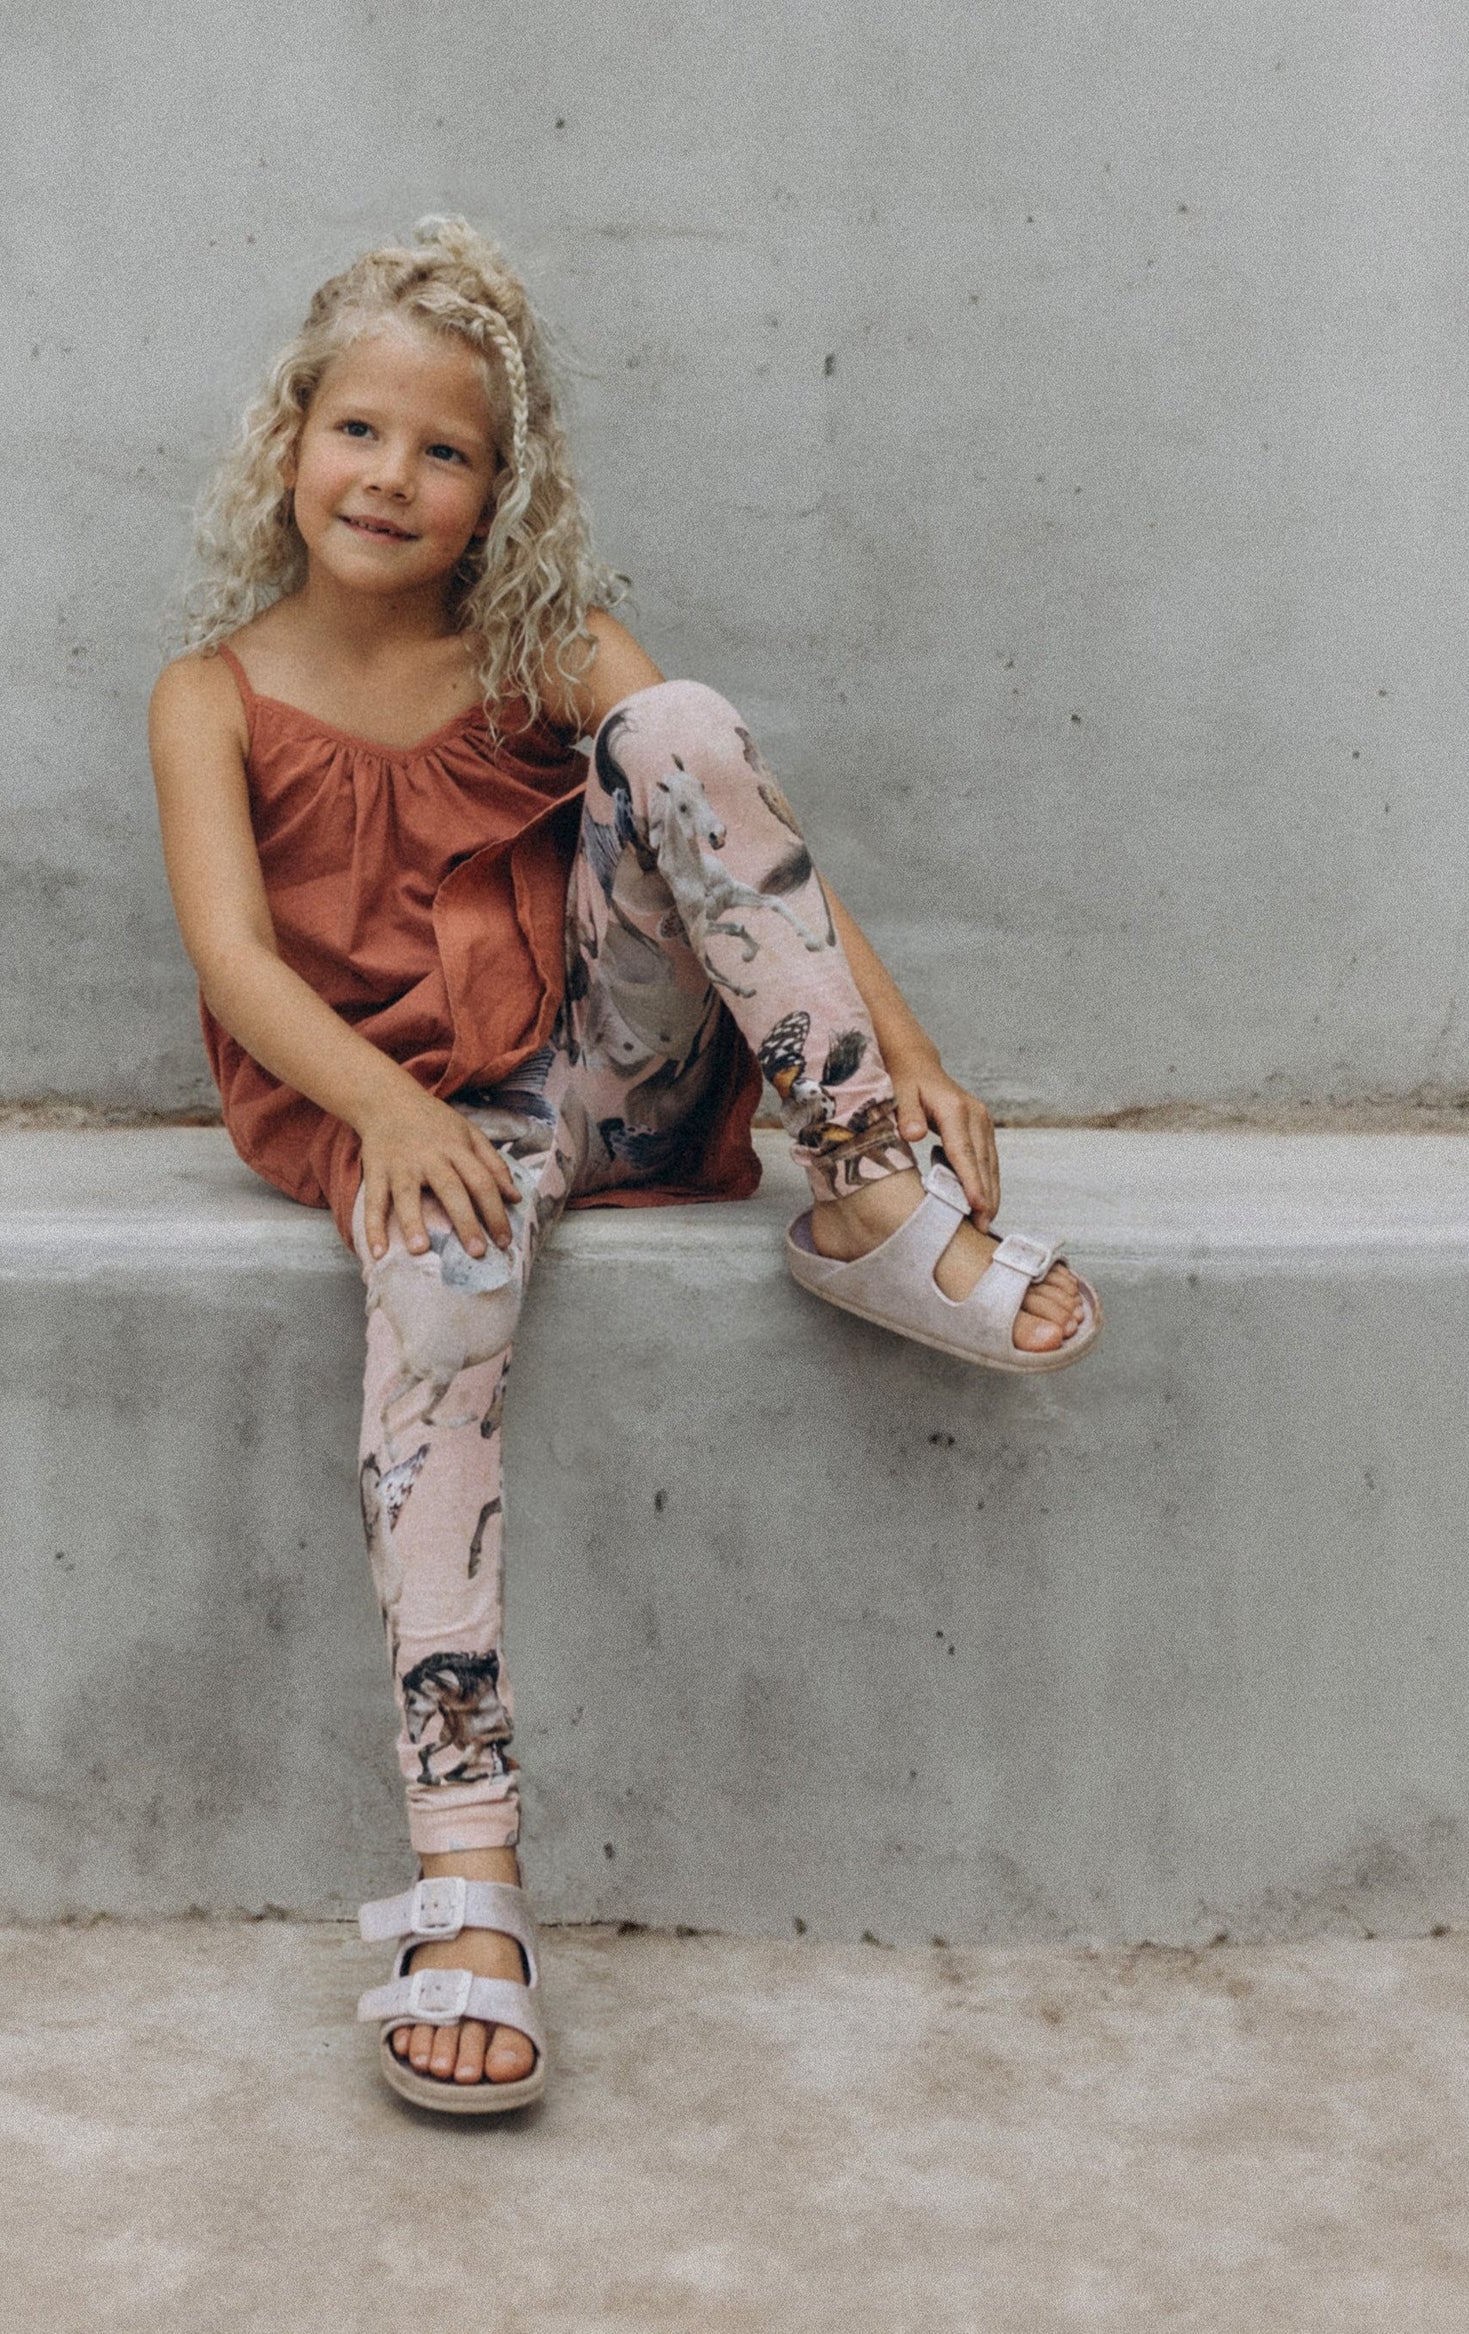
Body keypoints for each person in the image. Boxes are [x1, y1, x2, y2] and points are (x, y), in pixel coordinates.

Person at [148, 218, 1098, 2114]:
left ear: (501, 489)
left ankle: (868, 1201)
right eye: (359, 431)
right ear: (288, 445)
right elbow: (238, 965)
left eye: (446, 450)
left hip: (614, 1065)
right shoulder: (210, 693)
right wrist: (394, 1116)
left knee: (677, 721)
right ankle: (467, 1880)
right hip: (411, 1114)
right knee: (435, 1310)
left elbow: (745, 836)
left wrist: (904, 1065)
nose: (392, 477)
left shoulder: (543, 644)